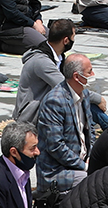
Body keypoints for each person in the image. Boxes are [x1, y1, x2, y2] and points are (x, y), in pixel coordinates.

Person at [36, 54, 99, 193]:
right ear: (77, 77)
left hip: (82, 163)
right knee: (95, 183)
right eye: (89, 72)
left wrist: (91, 157)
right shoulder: (55, 101)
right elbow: (56, 146)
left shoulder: (85, 95)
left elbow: (90, 131)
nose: (93, 75)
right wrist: (83, 166)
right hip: (57, 171)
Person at [15, 19, 77, 123]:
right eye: (73, 37)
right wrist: (98, 99)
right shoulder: (42, 62)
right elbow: (68, 88)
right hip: (30, 117)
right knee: (84, 99)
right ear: (66, 40)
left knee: (83, 103)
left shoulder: (59, 57)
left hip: (47, 109)